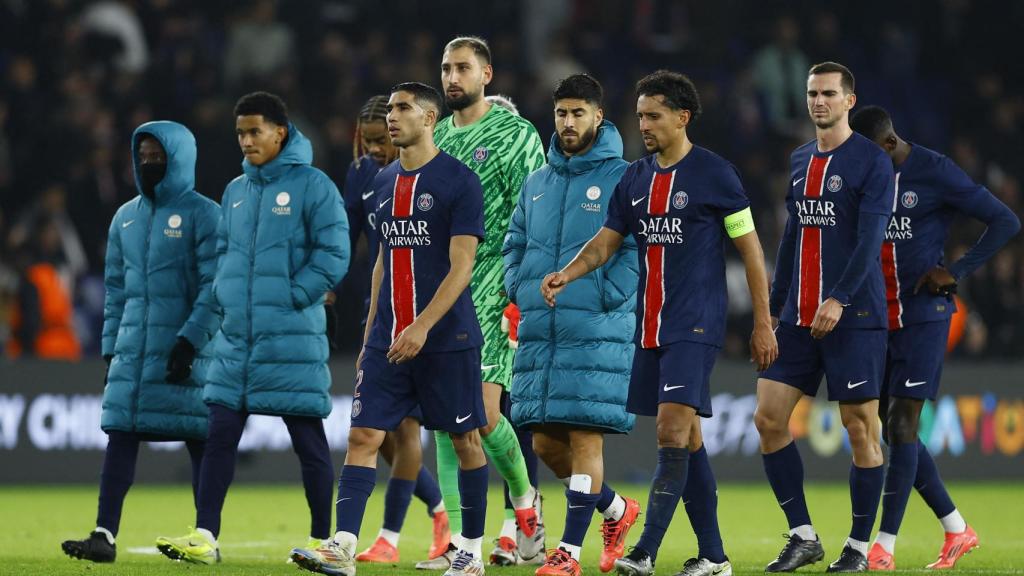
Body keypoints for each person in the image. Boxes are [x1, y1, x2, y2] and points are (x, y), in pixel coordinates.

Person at [542, 70, 778, 576]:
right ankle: (714, 557)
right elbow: (607, 241)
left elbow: (751, 249)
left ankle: (644, 551)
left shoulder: (716, 175)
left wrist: (763, 321)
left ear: (682, 117)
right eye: (640, 115)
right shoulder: (635, 178)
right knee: (688, 437)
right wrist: (568, 272)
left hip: (695, 323)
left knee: (671, 432)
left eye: (653, 116)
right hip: (648, 327)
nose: (643, 124)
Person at [289, 82, 490, 576]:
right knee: (363, 436)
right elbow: (382, 262)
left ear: (429, 119)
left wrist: (422, 326)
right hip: (388, 339)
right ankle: (343, 545)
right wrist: (371, 335)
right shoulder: (379, 183)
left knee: (465, 441)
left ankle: (470, 550)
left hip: (446, 338)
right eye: (392, 108)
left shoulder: (459, 181)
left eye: (403, 109)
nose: (392, 117)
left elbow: (462, 266)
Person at [155, 92, 349, 564]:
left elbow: (334, 254)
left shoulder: (314, 186)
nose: (245, 141)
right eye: (240, 133)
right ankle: (205, 536)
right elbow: (223, 269)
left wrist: (290, 296)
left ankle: (324, 539)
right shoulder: (236, 192)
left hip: (290, 340)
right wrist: (194, 334)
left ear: (280, 132)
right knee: (219, 435)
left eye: (254, 131)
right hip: (236, 343)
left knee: (308, 441)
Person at [850, 105, 1020, 571]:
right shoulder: (869, 174)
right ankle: (956, 527)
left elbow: (1005, 220)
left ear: (888, 144)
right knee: (885, 426)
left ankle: (884, 545)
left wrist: (957, 269)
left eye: (867, 157)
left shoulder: (935, 171)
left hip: (925, 315)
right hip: (878, 316)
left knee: (903, 425)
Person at [754, 62, 894, 573]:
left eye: (829, 94)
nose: (819, 102)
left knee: (860, 427)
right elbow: (793, 236)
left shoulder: (871, 163)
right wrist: (772, 306)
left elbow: (869, 240)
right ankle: (802, 535)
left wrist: (837, 298)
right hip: (796, 317)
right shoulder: (797, 160)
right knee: (768, 419)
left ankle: (858, 546)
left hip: (853, 315)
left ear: (849, 101)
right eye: (813, 93)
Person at [61, 121, 220, 563]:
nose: (149, 163)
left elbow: (215, 286)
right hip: (133, 350)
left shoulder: (205, 214)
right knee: (121, 435)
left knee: (200, 440)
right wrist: (111, 347)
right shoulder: (125, 217)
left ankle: (207, 536)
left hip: (189, 351)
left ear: (180, 158)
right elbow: (115, 290)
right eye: (144, 155)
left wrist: (191, 341)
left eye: (158, 155)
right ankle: (103, 534)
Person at [502, 73, 641, 576]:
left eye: (578, 113)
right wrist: (518, 286)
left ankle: (569, 553)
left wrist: (606, 293)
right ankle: (616, 510)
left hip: (597, 326)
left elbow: (635, 250)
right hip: (542, 328)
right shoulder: (537, 181)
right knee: (545, 445)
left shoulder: (625, 176)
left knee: (585, 438)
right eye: (561, 113)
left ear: (598, 117)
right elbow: (514, 241)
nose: (567, 122)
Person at [420, 35, 547, 569]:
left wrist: (522, 288)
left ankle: (525, 507)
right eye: (447, 68)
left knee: (486, 412)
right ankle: (458, 545)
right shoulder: (437, 134)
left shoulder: (517, 135)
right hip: (444, 284)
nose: (452, 78)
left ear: (486, 75)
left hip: (496, 280)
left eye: (463, 68)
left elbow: (535, 216)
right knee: (450, 421)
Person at [342, 94, 451, 563]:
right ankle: (440, 508)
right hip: (381, 307)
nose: (375, 149)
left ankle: (388, 537)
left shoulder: (431, 173)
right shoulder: (366, 176)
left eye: (380, 139)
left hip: (427, 315)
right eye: (367, 142)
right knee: (377, 435)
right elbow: (354, 241)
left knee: (405, 432)